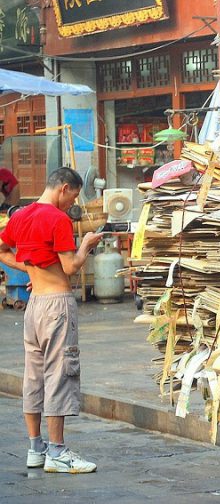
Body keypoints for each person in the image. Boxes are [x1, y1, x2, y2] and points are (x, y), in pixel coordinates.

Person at [0, 167, 102, 474]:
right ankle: (57, 452)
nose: (73, 202)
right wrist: (86, 245)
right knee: (59, 374)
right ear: (64, 188)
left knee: (34, 377)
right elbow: (70, 266)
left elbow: (3, 249)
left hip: (34, 307)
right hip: (57, 306)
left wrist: (30, 270)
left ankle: (36, 447)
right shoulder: (58, 219)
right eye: (74, 195)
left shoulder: (20, 216)